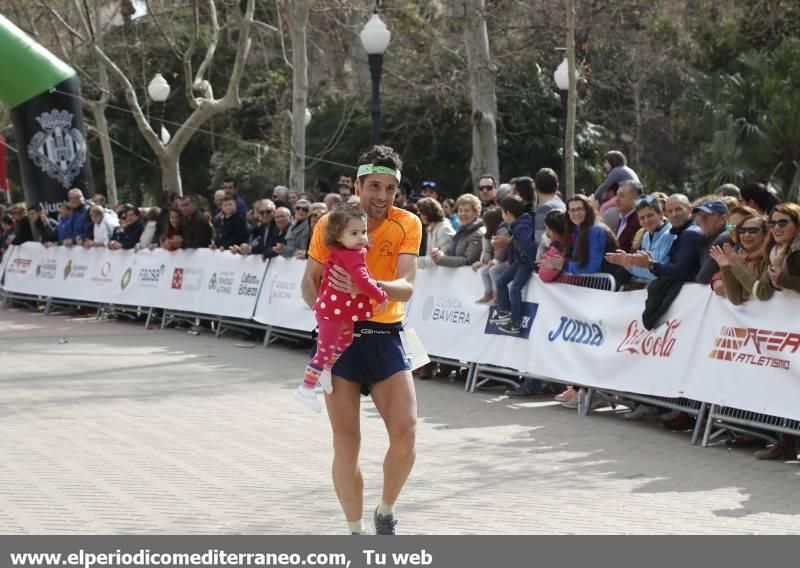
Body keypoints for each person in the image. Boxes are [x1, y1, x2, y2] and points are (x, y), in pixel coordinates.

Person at [301, 145, 421, 535]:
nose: (382, 197)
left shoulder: (408, 224)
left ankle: (385, 511)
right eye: (373, 186)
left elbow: (407, 287)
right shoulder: (329, 224)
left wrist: (366, 287)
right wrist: (326, 312)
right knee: (346, 443)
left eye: (390, 188)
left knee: (406, 433)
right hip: (341, 343)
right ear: (357, 185)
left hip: (386, 337)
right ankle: (354, 533)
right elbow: (309, 283)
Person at [294, 206, 389, 413]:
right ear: (338, 235)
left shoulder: (344, 250)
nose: (361, 238)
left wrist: (364, 245)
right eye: (354, 233)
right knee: (324, 350)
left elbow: (359, 253)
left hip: (338, 311)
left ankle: (327, 369)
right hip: (331, 312)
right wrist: (380, 294)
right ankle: (306, 388)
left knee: (345, 340)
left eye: (363, 232)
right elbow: (363, 281)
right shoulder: (352, 256)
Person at [538, 195, 617, 276]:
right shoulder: (576, 230)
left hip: (603, 285)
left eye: (579, 209)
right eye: (572, 210)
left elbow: (593, 267)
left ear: (588, 210)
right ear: (568, 213)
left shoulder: (597, 230)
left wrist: (564, 265)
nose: (576, 213)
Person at [493, 196, 537, 335]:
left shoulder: (522, 226)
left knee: (514, 289)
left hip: (526, 263)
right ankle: (505, 312)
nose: (501, 215)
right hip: (519, 261)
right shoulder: (515, 225)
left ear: (508, 213)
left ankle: (515, 322)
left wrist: (535, 264)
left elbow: (530, 246)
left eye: (502, 212)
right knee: (500, 281)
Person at [605, 195, 673, 283]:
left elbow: (657, 274)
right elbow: (646, 271)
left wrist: (631, 265)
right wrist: (627, 263)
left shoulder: (669, 235)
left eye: (650, 215)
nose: (646, 221)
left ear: (661, 214)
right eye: (642, 218)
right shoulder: (645, 236)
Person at [709, 213, 768, 304]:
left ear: (765, 234)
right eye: (742, 230)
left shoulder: (770, 257)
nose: (746, 234)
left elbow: (762, 292)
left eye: (753, 230)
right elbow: (736, 299)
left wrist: (736, 265)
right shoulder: (736, 255)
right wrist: (725, 267)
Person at [430, 194, 485, 267]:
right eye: (460, 210)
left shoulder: (477, 234)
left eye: (467, 210)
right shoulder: (461, 231)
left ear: (476, 213)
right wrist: (439, 254)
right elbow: (450, 253)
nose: (463, 214)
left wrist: (441, 259)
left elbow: (469, 261)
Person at [475, 207, 509, 304]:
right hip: (499, 260)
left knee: (494, 270)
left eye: (485, 222)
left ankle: (497, 295)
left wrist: (495, 261)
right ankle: (488, 293)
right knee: (484, 271)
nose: (484, 225)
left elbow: (503, 249)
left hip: (506, 260)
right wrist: (490, 261)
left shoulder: (502, 231)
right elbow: (489, 250)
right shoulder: (491, 233)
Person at [416, 198, 455, 269]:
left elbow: (444, 259)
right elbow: (429, 256)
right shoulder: (431, 229)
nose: (420, 216)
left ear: (426, 214)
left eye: (420, 213)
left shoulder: (444, 229)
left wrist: (413, 262)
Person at [533, 168, 566, 249]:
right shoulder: (563, 205)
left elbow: (538, 241)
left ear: (536, 187)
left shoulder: (543, 210)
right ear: (557, 186)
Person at [614, 181, 643, 252]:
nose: (616, 200)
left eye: (621, 196)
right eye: (616, 195)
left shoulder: (640, 221)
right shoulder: (622, 218)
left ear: (636, 198)